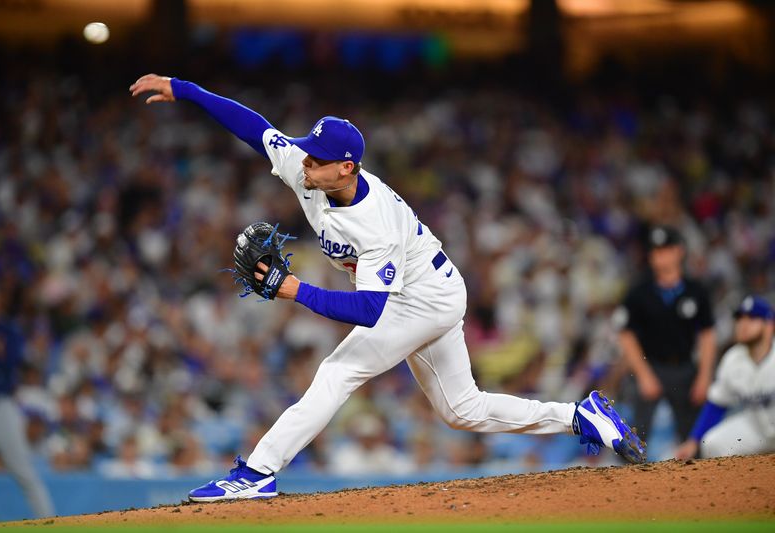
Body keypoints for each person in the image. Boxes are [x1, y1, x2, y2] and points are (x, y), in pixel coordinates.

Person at [129, 74, 646, 502]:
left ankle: (258, 471)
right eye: (306, 155)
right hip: (428, 291)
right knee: (460, 410)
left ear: (346, 168)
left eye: (316, 159)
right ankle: (580, 416)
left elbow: (372, 311)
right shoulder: (311, 172)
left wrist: (295, 290)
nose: (303, 163)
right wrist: (186, 90)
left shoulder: (374, 222)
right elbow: (256, 129)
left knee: (337, 371)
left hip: (421, 299)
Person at [616, 225, 717, 443]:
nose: (659, 256)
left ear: (679, 250)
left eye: (665, 249)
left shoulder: (696, 291)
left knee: (693, 437)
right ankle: (628, 476)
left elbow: (708, 335)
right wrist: (643, 375)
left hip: (685, 367)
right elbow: (626, 335)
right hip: (650, 365)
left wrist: (704, 376)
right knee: (634, 438)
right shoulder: (638, 292)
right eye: (654, 251)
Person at [0, 268, 54, 517]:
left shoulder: (8, 331)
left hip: (1, 409)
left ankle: (53, 526)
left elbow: (9, 365)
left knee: (26, 475)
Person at [675, 296, 775, 459]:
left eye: (752, 318)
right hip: (757, 427)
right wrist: (693, 441)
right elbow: (716, 405)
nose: (743, 324)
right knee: (712, 443)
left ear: (769, 325)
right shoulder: (732, 359)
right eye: (740, 318)